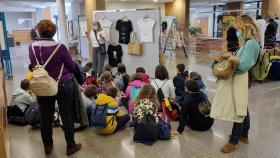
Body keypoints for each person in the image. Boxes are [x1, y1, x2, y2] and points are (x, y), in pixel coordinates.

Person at [29, 20, 81, 156]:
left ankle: (48, 146)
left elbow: (34, 65)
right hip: (63, 83)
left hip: (42, 84)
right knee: (66, 115)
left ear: (39, 31)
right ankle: (70, 146)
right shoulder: (60, 47)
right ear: (54, 31)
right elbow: (71, 66)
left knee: (45, 116)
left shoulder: (32, 47)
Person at [210, 15, 260, 153]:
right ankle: (244, 135)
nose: (237, 31)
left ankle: (234, 141)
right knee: (242, 106)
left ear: (244, 27)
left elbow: (243, 65)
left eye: (238, 28)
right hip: (241, 79)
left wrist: (230, 60)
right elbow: (241, 60)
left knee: (239, 108)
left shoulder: (252, 44)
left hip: (242, 79)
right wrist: (231, 57)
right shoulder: (248, 42)